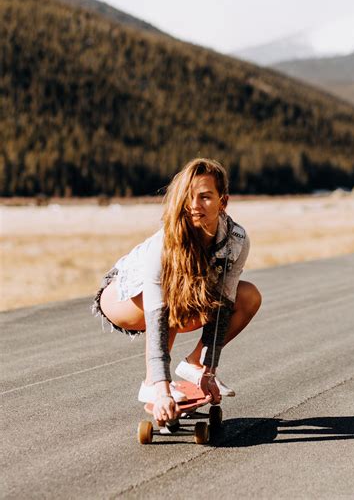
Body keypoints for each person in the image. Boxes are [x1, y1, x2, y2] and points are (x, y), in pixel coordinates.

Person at [92, 158, 261, 425]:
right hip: (122, 298)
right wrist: (160, 387)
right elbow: (158, 315)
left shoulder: (236, 241)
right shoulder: (166, 243)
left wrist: (208, 370)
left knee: (247, 296)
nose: (195, 206)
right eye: (189, 197)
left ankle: (193, 365)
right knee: (175, 293)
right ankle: (151, 380)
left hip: (181, 297)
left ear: (223, 202)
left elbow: (224, 306)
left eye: (206, 197)